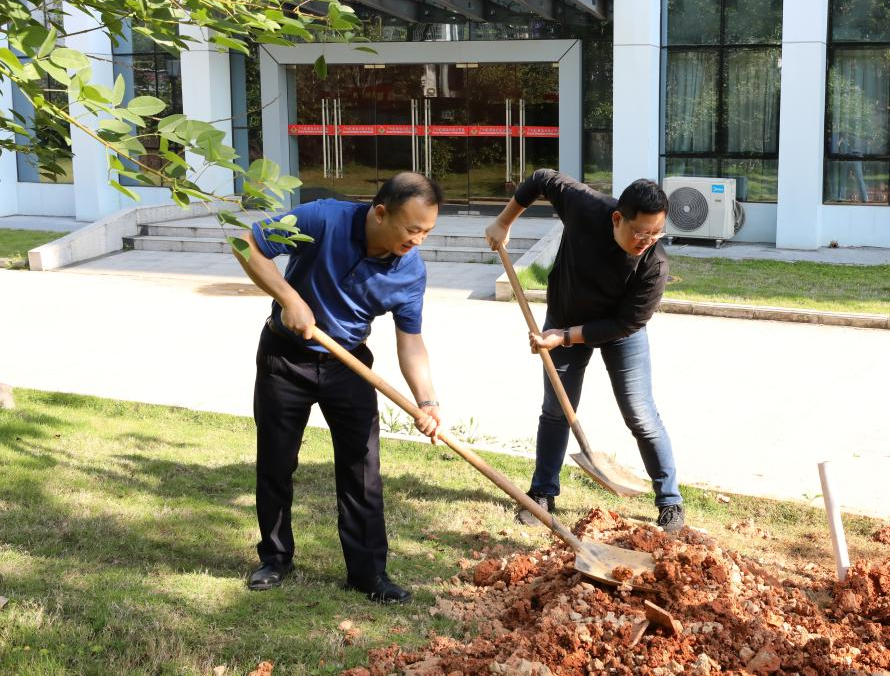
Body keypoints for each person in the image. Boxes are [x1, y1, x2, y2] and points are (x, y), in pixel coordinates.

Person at [231, 172, 445, 604]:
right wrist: (290, 299)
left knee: (362, 469)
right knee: (276, 459)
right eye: (412, 229)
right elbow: (246, 243)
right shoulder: (321, 219)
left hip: (349, 366)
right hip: (285, 357)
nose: (418, 240)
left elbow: (411, 341)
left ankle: (368, 573)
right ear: (380, 212)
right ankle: (274, 558)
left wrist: (426, 400)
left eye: (427, 231)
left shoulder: (409, 272)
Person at [485, 169, 685, 532]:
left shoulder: (655, 265)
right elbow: (541, 179)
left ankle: (670, 500)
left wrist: (563, 337)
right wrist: (503, 221)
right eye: (641, 232)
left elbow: (625, 324)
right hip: (565, 314)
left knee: (641, 415)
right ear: (617, 218)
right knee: (557, 410)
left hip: (618, 333)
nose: (648, 241)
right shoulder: (585, 207)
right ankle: (542, 493)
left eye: (657, 233)